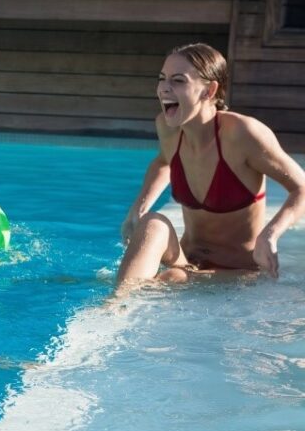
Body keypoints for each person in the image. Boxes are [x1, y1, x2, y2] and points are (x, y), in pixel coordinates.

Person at [117, 43, 305, 285]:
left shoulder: (242, 134)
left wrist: (270, 235)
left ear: (209, 90)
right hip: (186, 259)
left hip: (236, 270)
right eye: (162, 79)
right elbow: (164, 161)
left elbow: (301, 187)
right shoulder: (168, 128)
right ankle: (115, 306)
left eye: (178, 81)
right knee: (152, 223)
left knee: (171, 277)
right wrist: (138, 208)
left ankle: (126, 299)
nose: (164, 88)